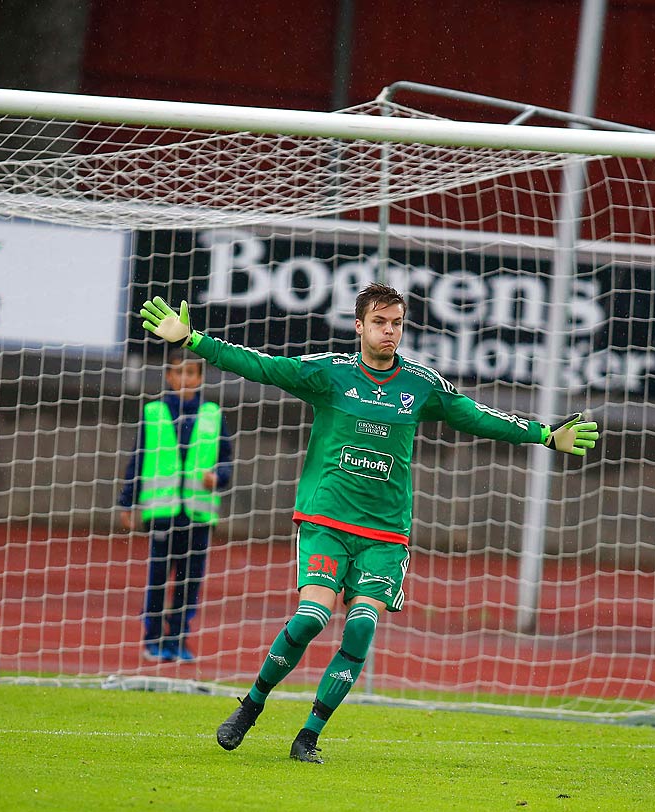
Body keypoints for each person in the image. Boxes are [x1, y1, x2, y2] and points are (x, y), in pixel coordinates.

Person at [139, 284, 599, 763]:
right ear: (359, 326)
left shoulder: (420, 385)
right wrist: (194, 341)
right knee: (312, 617)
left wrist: (545, 434)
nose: (390, 332)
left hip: (385, 533)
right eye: (380, 322)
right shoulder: (330, 374)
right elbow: (262, 365)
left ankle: (308, 736)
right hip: (327, 519)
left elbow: (475, 416)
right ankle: (250, 707)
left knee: (359, 627)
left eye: (397, 323)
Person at [117, 349, 233, 662]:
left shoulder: (212, 414)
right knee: (158, 577)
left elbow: (226, 460)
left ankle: (178, 638)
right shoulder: (153, 413)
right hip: (163, 511)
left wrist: (218, 477)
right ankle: (152, 638)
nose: (185, 379)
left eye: (191, 374)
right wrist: (127, 501)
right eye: (179, 373)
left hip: (197, 512)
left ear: (199, 378)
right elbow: (138, 459)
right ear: (169, 376)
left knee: (189, 580)